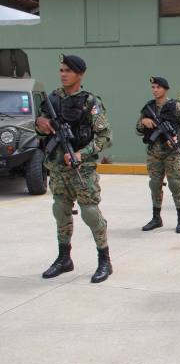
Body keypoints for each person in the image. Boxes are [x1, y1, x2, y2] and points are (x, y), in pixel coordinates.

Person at [36, 54, 113, 283]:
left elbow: (104, 136)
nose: (62, 74)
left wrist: (81, 153)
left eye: (67, 71)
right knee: (60, 210)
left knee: (90, 212)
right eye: (61, 70)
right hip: (58, 167)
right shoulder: (52, 99)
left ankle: (104, 260)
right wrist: (41, 125)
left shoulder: (90, 102)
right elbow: (40, 125)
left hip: (83, 168)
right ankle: (64, 259)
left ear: (80, 74)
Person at [136, 76, 180, 233]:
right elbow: (137, 129)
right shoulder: (148, 108)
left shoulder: (176, 107)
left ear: (165, 89)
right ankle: (156, 218)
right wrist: (143, 123)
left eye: (158, 87)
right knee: (154, 184)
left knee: (174, 184)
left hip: (172, 153)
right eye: (153, 87)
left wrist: (177, 137)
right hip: (154, 153)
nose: (155, 90)